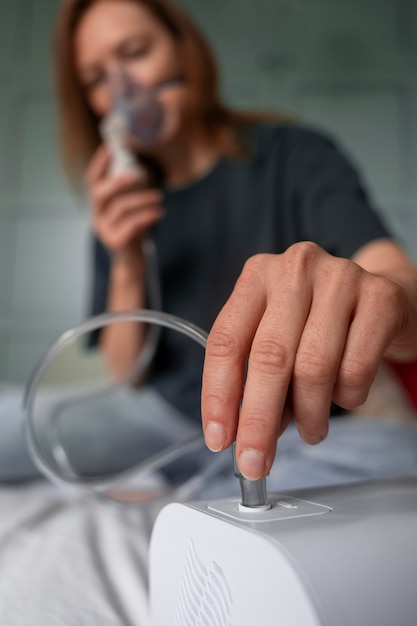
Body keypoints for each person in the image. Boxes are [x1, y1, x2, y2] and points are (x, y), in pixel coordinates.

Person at [33, 0, 417, 487]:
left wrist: (383, 298)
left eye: (134, 52)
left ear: (183, 51)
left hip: (288, 427)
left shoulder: (294, 158)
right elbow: (128, 375)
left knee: (400, 456)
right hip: (161, 420)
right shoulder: (120, 207)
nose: (120, 88)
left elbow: (396, 280)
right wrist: (127, 258)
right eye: (94, 78)